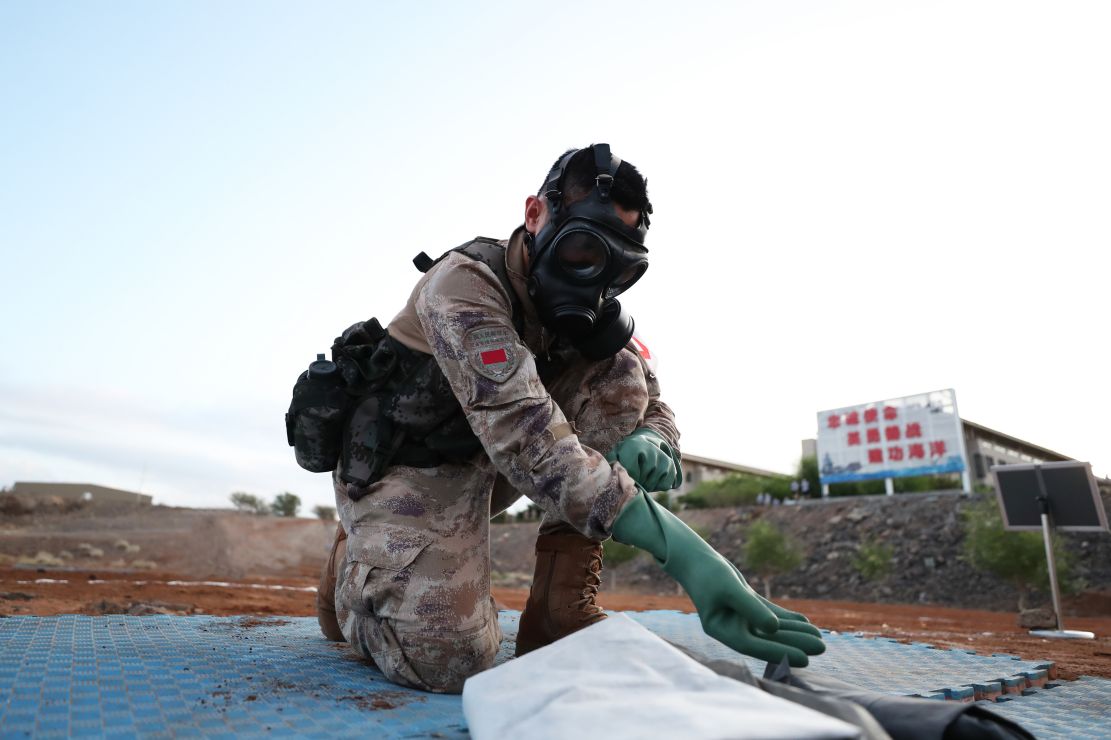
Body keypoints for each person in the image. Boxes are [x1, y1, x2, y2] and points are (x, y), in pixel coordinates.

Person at [312, 144, 825, 693]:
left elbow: (651, 399)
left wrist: (655, 437)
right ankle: (357, 567)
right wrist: (683, 552)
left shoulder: (583, 313)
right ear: (536, 215)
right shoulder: (463, 286)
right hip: (407, 471)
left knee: (619, 374)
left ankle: (557, 612)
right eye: (584, 251)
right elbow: (527, 437)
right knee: (449, 661)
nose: (595, 281)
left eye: (621, 269)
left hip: (490, 468)